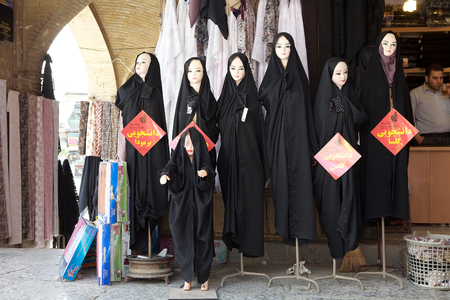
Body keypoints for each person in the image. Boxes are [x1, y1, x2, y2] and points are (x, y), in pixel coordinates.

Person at [258, 32, 318, 246]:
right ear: (274, 50)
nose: (283, 50)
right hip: (278, 141)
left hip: (299, 141)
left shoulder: (300, 77)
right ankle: (285, 230)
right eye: (279, 46)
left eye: (287, 46)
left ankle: (302, 235)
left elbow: (308, 112)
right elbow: (264, 98)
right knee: (281, 185)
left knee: (301, 185)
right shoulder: (270, 78)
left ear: (292, 49)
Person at [115, 52, 170, 252]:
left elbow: (164, 120)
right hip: (134, 151)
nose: (139, 65)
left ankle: (151, 243)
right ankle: (139, 248)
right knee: (136, 190)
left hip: (155, 151)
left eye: (144, 62)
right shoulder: (127, 90)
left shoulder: (160, 92)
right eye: (137, 61)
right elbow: (123, 118)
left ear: (152, 65)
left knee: (155, 189)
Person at [313, 57, 367, 259]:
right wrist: (336, 113)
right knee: (330, 204)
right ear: (329, 75)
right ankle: (336, 247)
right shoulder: (323, 99)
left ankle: (349, 247)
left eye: (345, 73)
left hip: (347, 159)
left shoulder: (350, 96)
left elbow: (361, 119)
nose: (343, 77)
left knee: (349, 199)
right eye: (338, 73)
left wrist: (345, 107)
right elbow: (320, 128)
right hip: (328, 162)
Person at [358, 31, 413, 221]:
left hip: (396, 134)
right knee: (376, 173)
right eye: (385, 44)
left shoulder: (399, 75)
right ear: (379, 45)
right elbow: (364, 105)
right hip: (374, 137)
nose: (389, 48)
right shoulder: (369, 76)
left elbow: (406, 105)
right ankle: (376, 214)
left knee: (397, 172)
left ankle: (393, 213)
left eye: (393, 44)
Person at [216, 53, 265, 257]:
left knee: (251, 205)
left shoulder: (253, 101)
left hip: (251, 162)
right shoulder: (223, 100)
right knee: (232, 203)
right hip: (228, 161)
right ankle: (234, 241)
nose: (237, 73)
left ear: (247, 70)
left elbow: (260, 132)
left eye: (241, 68)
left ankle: (251, 248)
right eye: (233, 68)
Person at [159, 127, 214, 291]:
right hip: (182, 208)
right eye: (186, 142)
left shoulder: (203, 160)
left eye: (192, 142)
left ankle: (205, 277)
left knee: (203, 240)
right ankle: (187, 278)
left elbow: (209, 169)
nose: (189, 145)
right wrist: (165, 175)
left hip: (200, 209)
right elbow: (170, 166)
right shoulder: (178, 160)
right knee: (182, 241)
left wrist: (205, 173)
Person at [172, 57, 218, 169]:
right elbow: (180, 122)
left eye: (198, 70)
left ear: (204, 72)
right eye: (190, 71)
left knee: (204, 171)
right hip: (187, 143)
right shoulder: (183, 98)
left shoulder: (209, 97)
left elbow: (213, 123)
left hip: (205, 143)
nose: (194, 74)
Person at [410, 63, 450, 145]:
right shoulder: (415, 94)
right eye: (435, 78)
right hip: (428, 138)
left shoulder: (446, 92)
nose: (439, 81)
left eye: (441, 78)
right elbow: (409, 119)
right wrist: (419, 139)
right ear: (427, 78)